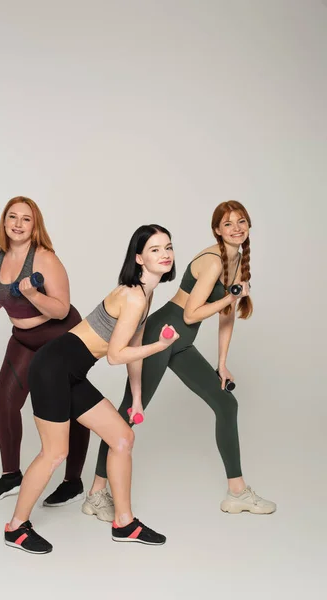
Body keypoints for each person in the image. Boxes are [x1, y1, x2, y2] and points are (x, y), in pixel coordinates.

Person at [81, 201, 276, 521]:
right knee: (129, 412)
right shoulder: (213, 262)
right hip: (162, 335)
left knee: (226, 405)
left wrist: (222, 362)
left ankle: (237, 493)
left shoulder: (238, 261)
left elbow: (227, 316)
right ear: (217, 230)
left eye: (241, 222)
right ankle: (96, 493)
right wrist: (231, 296)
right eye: (228, 224)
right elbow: (190, 313)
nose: (236, 228)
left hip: (182, 343)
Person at [4, 224, 179, 554]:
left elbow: (134, 345)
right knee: (55, 452)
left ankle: (124, 523)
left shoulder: (145, 294)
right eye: (155, 249)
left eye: (168, 247)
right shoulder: (132, 295)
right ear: (139, 258)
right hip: (52, 368)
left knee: (123, 438)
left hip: (70, 372)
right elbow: (116, 355)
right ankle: (16, 527)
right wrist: (162, 346)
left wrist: (137, 398)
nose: (165, 254)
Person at [0, 196, 87, 501]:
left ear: (34, 225)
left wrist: (33, 295)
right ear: (4, 222)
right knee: (4, 400)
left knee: (72, 404)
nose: (17, 224)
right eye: (12, 217)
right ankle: (11, 476)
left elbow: (61, 308)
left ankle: (73, 480)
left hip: (60, 335)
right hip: (23, 338)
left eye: (25, 219)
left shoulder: (45, 258)